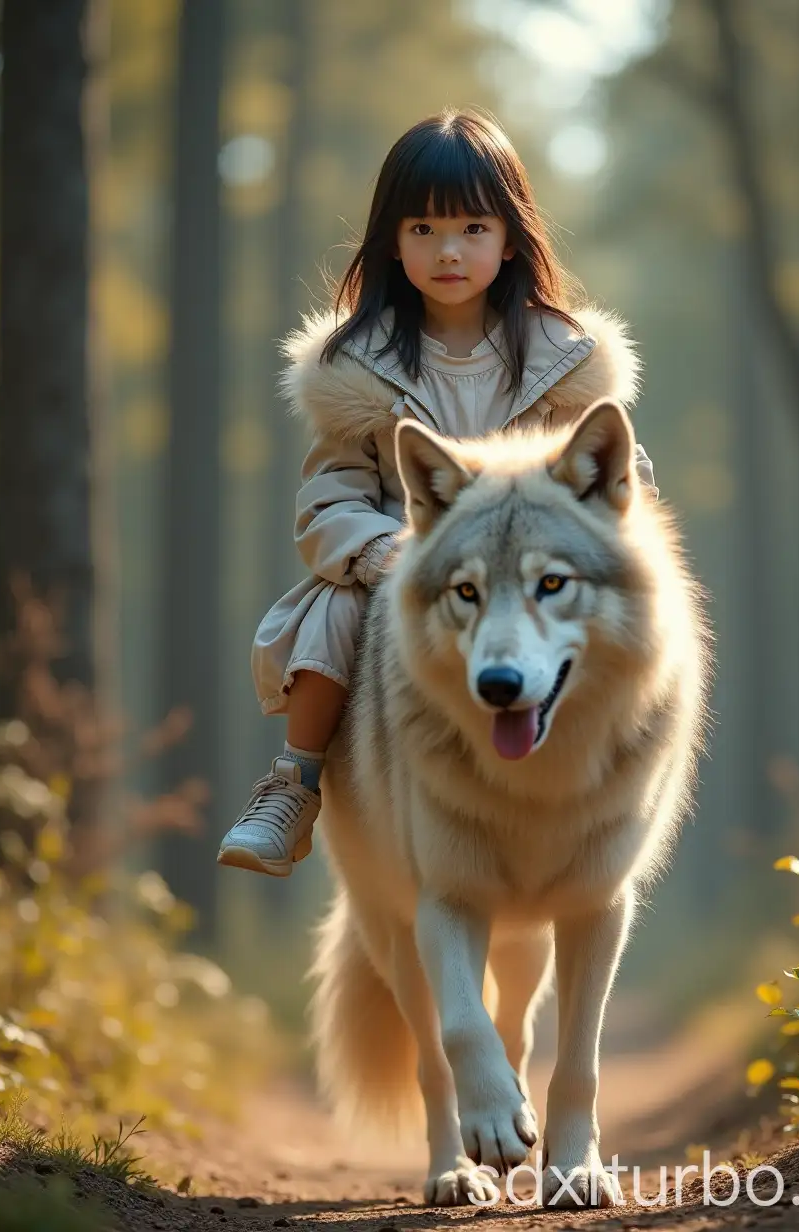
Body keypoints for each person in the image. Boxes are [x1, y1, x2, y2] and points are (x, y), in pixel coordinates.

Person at [216, 107, 659, 878]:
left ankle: (612, 775)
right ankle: (293, 784)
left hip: (528, 566)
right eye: (422, 229)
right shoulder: (356, 370)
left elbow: (623, 482)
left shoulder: (563, 362)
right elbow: (328, 501)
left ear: (511, 237)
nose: (447, 251)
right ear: (392, 239)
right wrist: (380, 548)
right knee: (334, 609)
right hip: (406, 566)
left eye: (472, 229)